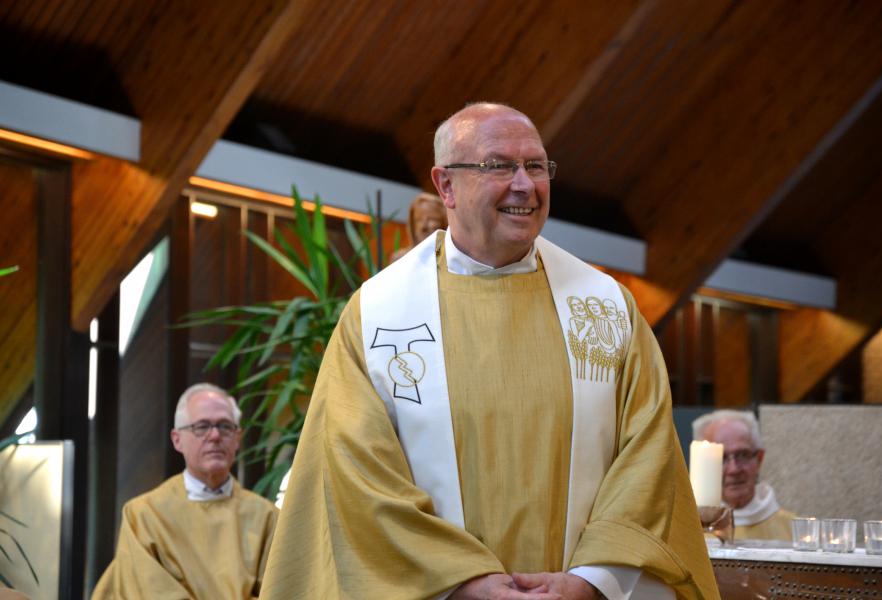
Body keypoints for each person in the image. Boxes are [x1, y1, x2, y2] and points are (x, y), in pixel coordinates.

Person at [260, 103, 719, 600]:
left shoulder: (607, 308)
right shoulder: (376, 312)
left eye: (537, 166)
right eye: (499, 165)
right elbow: (355, 472)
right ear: (445, 185)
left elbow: (647, 457)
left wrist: (591, 580)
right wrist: (458, 580)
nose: (525, 185)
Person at [92, 383, 278, 599]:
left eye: (225, 426)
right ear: (177, 439)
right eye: (202, 426)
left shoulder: (267, 517)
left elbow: (283, 590)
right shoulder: (144, 515)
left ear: (237, 438)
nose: (215, 435)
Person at [692, 410, 795, 541]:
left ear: (759, 459)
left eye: (742, 455)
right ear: (702, 465)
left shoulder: (794, 531)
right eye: (720, 458)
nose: (734, 469)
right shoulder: (688, 532)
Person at [390, 192, 449, 263]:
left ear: (444, 222)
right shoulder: (401, 259)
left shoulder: (451, 261)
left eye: (431, 219)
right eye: (418, 220)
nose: (423, 226)